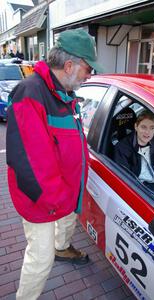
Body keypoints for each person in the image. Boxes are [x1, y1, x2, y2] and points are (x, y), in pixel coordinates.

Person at [6, 29, 102, 300]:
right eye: (88, 68)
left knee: (59, 237)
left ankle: (62, 246)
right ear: (69, 65)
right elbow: (29, 162)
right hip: (42, 200)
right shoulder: (31, 93)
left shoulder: (63, 91)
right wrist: (59, 201)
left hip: (62, 193)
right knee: (40, 260)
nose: (89, 75)